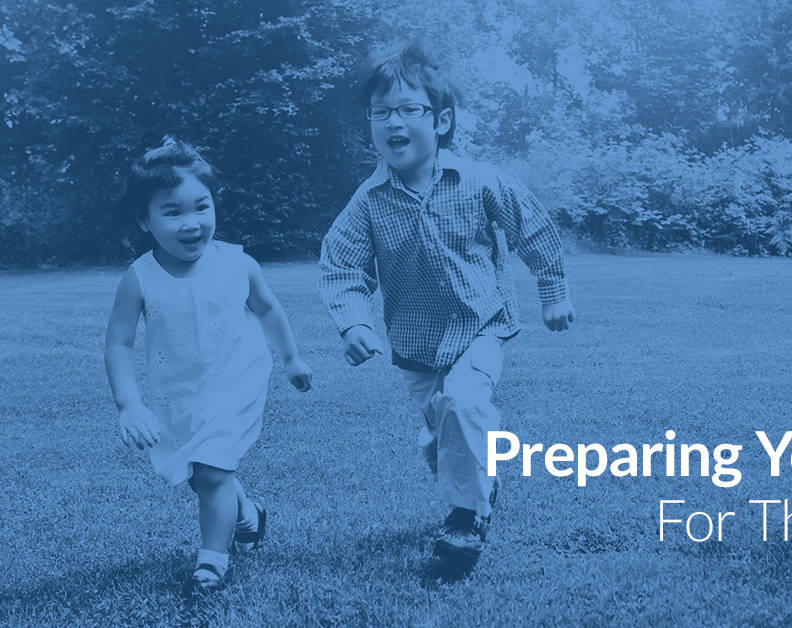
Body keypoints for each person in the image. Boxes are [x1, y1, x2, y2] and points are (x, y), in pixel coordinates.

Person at [319, 42, 574, 565]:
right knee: (441, 438)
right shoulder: (368, 202)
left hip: (482, 325)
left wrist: (553, 294)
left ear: (440, 121)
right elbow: (342, 265)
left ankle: (464, 521)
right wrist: (352, 323)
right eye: (381, 112)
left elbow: (534, 228)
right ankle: (477, 480)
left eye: (409, 109)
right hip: (415, 344)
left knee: (464, 403)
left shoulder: (479, 181)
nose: (394, 122)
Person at [105, 138, 312, 593]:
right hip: (179, 390)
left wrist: (291, 358)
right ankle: (250, 516)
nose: (192, 223)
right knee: (202, 474)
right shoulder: (139, 278)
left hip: (237, 378)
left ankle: (212, 560)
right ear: (145, 219)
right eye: (173, 212)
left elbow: (269, 309)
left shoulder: (238, 264)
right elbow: (119, 343)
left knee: (213, 468)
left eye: (201, 207)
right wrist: (129, 404)